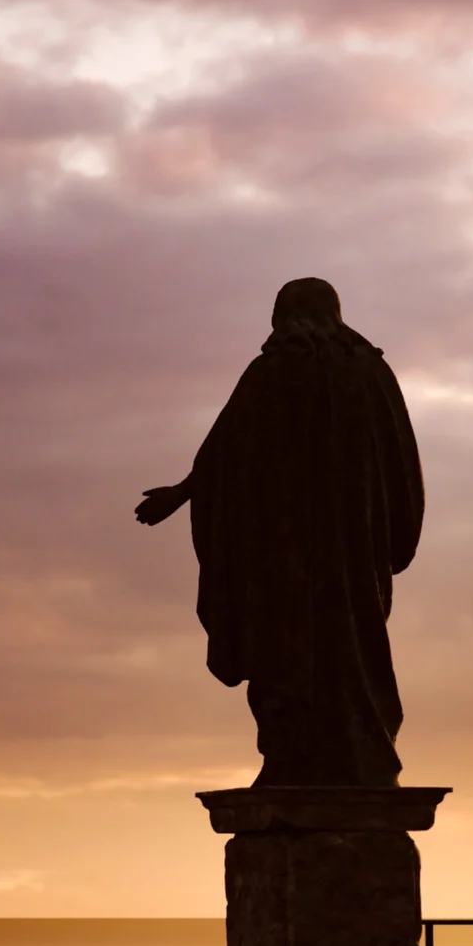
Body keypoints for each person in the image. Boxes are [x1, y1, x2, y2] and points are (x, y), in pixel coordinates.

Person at [136, 278, 424, 786]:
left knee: (295, 647)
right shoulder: (368, 370)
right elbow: (230, 447)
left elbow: (223, 454)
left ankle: (303, 754)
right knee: (338, 644)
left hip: (292, 550)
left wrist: (181, 494)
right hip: (338, 550)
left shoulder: (281, 371)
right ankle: (343, 751)